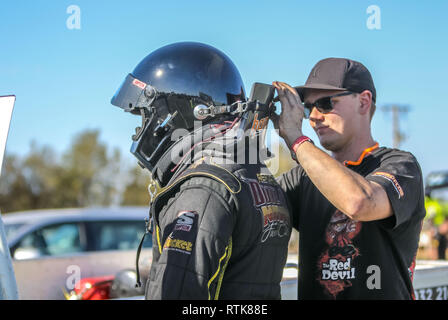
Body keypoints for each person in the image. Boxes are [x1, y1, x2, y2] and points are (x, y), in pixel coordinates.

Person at [110, 42, 292, 299]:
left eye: (143, 117)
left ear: (177, 114)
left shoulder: (203, 189)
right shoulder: (256, 177)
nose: (138, 132)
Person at [271, 58, 426, 299]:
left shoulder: (401, 165)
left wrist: (296, 139)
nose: (313, 117)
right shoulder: (303, 178)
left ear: (363, 102)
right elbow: (251, 210)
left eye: (324, 103)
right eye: (306, 107)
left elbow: (360, 202)